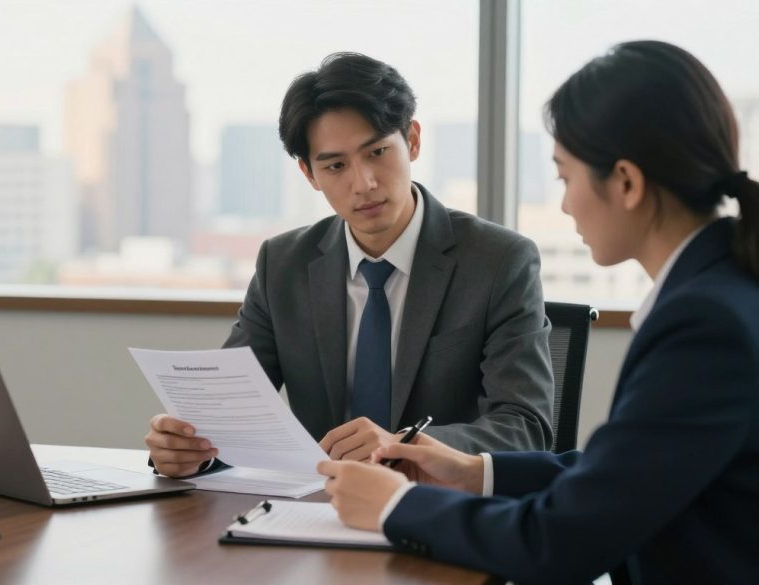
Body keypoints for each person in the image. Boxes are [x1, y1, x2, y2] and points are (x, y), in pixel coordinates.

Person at [317, 40, 759, 585]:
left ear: (625, 182)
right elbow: (628, 475)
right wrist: (473, 471)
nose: (566, 203)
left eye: (565, 177)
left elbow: (557, 542)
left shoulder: (704, 325)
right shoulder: (721, 294)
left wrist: (395, 508)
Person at [146, 52, 555, 479]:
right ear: (309, 173)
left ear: (412, 140)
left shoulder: (498, 261)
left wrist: (405, 446)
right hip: (314, 511)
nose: (364, 183)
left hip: (439, 509)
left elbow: (525, 428)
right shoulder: (282, 265)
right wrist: (187, 447)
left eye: (377, 152)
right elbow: (229, 414)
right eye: (336, 165)